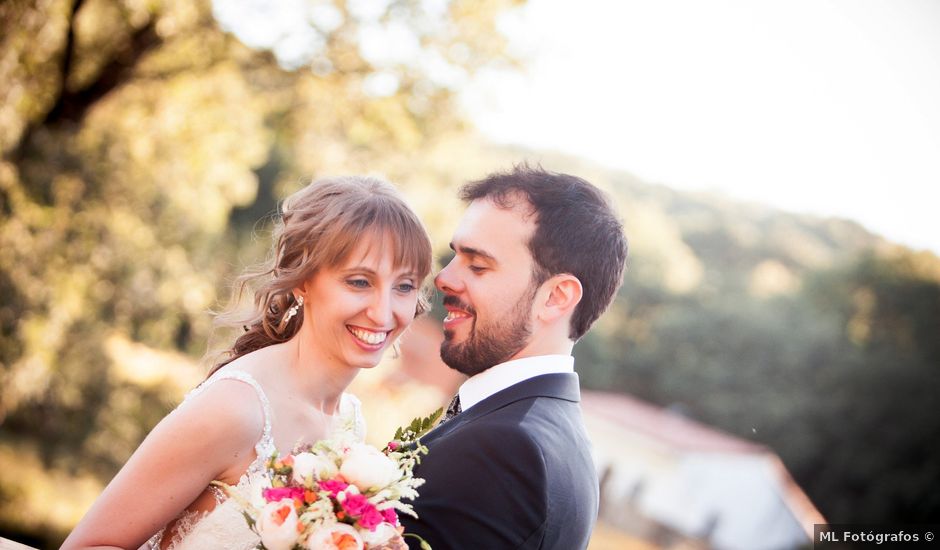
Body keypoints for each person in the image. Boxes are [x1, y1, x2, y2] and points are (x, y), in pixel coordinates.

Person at [62, 176, 432, 550]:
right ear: (302, 280)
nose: (384, 312)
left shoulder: (350, 420)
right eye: (358, 282)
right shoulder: (236, 409)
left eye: (404, 286)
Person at [400, 165, 628, 550]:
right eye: (455, 256)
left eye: (478, 265)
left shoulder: (504, 451)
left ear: (555, 297)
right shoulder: (557, 442)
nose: (444, 278)